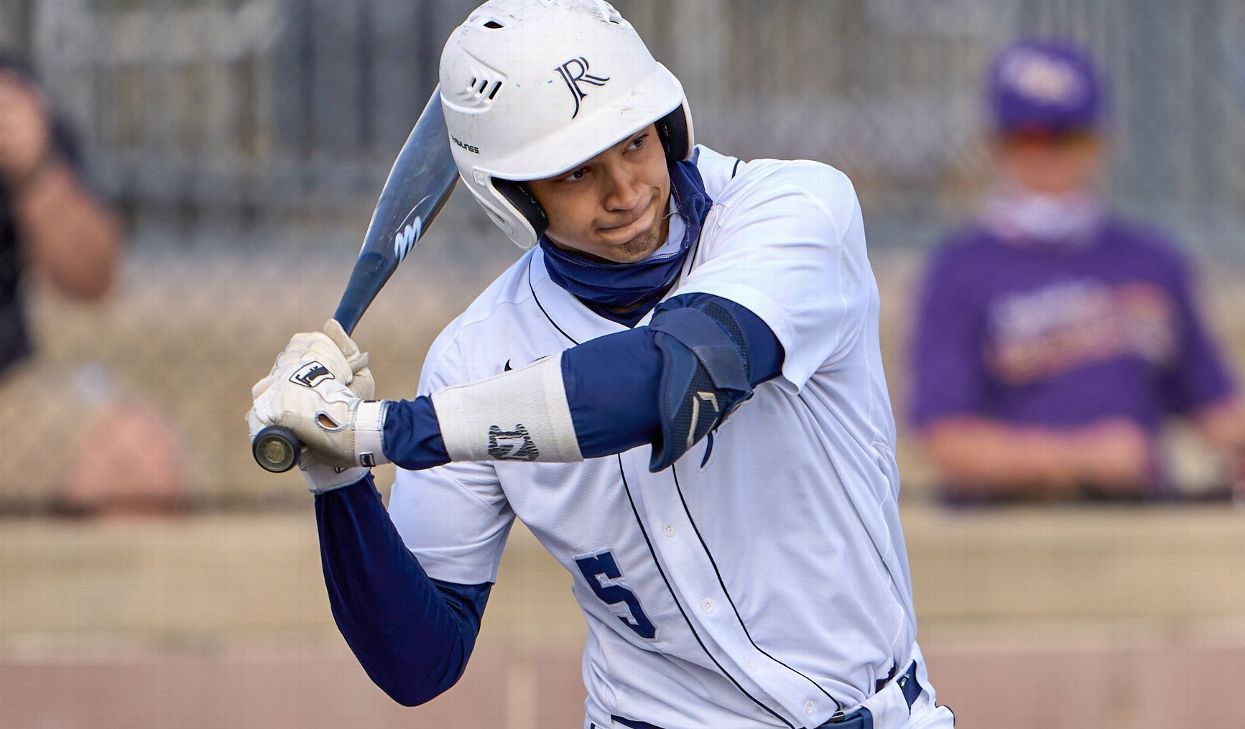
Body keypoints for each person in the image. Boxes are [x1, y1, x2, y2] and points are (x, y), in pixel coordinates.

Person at [246, 1, 954, 726]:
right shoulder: (476, 355)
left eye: (635, 142)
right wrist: (335, 470)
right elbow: (417, 660)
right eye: (578, 172)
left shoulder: (793, 211)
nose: (626, 191)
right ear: (516, 196)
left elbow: (674, 378)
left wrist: (377, 428)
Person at [908, 40, 1245, 504]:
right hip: (1008, 528)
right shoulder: (960, 269)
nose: (1049, 157)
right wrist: (1080, 458)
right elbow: (946, 440)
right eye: (1029, 138)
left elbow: (1212, 407)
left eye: (1068, 137)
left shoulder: (1150, 260)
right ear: (994, 145)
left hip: (1135, 518)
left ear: (1102, 140)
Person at [0, 53, 185, 514]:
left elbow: (92, 278)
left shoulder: (11, 89)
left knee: (139, 459)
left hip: (8, 394)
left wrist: (34, 166)